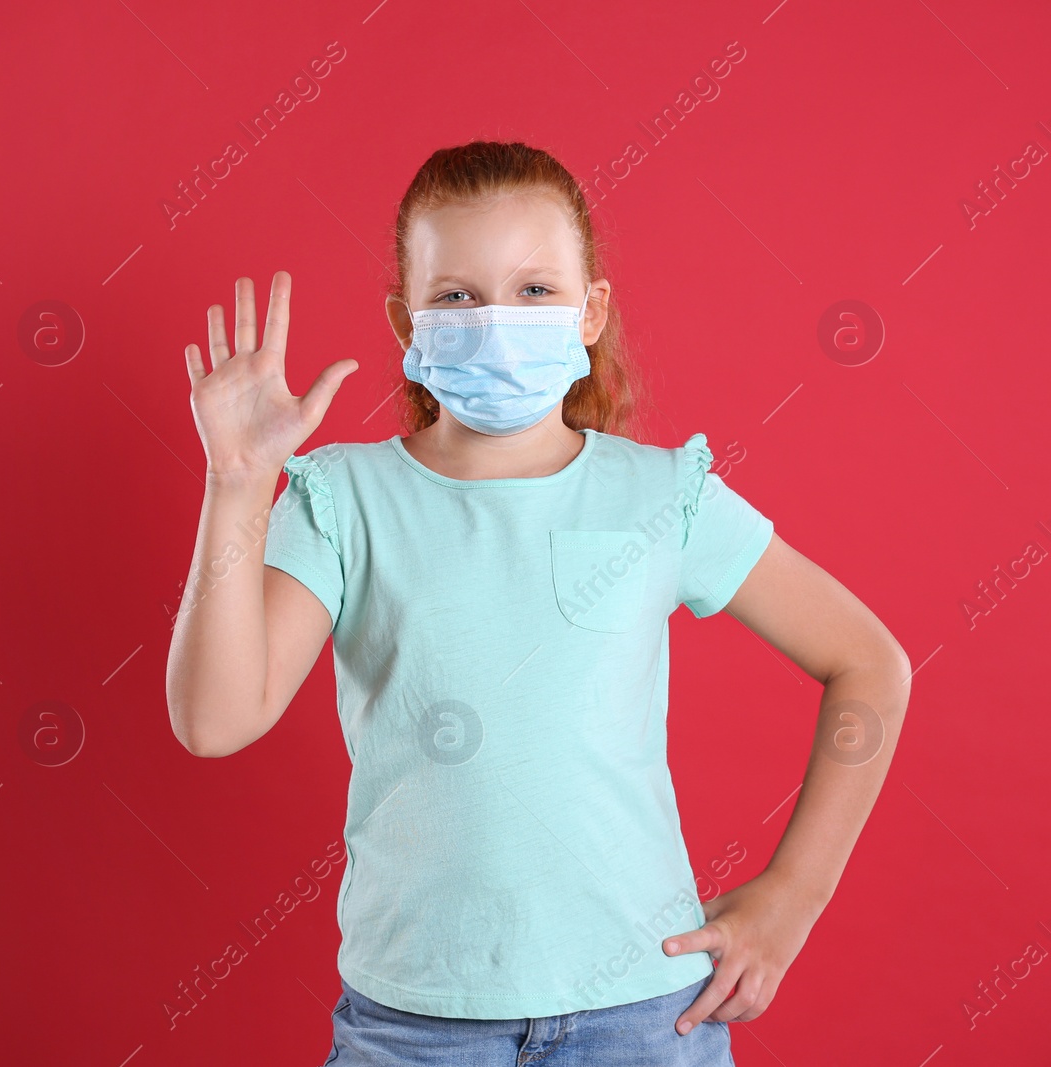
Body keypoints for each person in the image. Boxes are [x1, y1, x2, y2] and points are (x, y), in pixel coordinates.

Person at [164, 140, 911, 1066]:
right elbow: (214, 718)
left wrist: (793, 895)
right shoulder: (340, 498)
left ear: (590, 310)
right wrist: (238, 481)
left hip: (646, 1018)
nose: (495, 321)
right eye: (457, 297)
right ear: (407, 319)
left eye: (533, 291)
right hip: (413, 1027)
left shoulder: (660, 496)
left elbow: (870, 664)